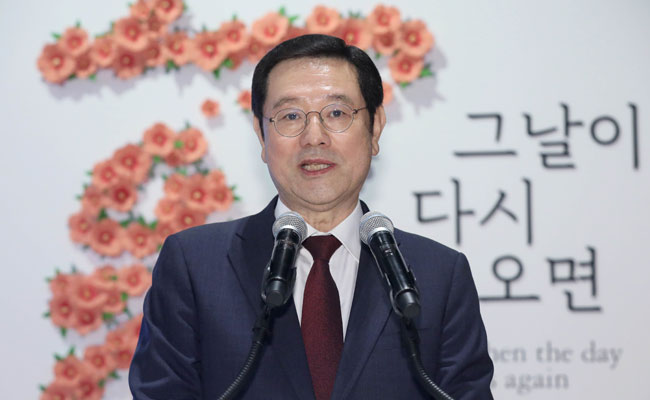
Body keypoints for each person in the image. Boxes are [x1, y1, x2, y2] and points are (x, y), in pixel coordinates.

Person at [129, 34, 493, 399]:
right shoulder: (194, 266)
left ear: (375, 127)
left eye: (336, 113)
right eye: (290, 116)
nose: (314, 137)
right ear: (261, 135)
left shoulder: (440, 275)